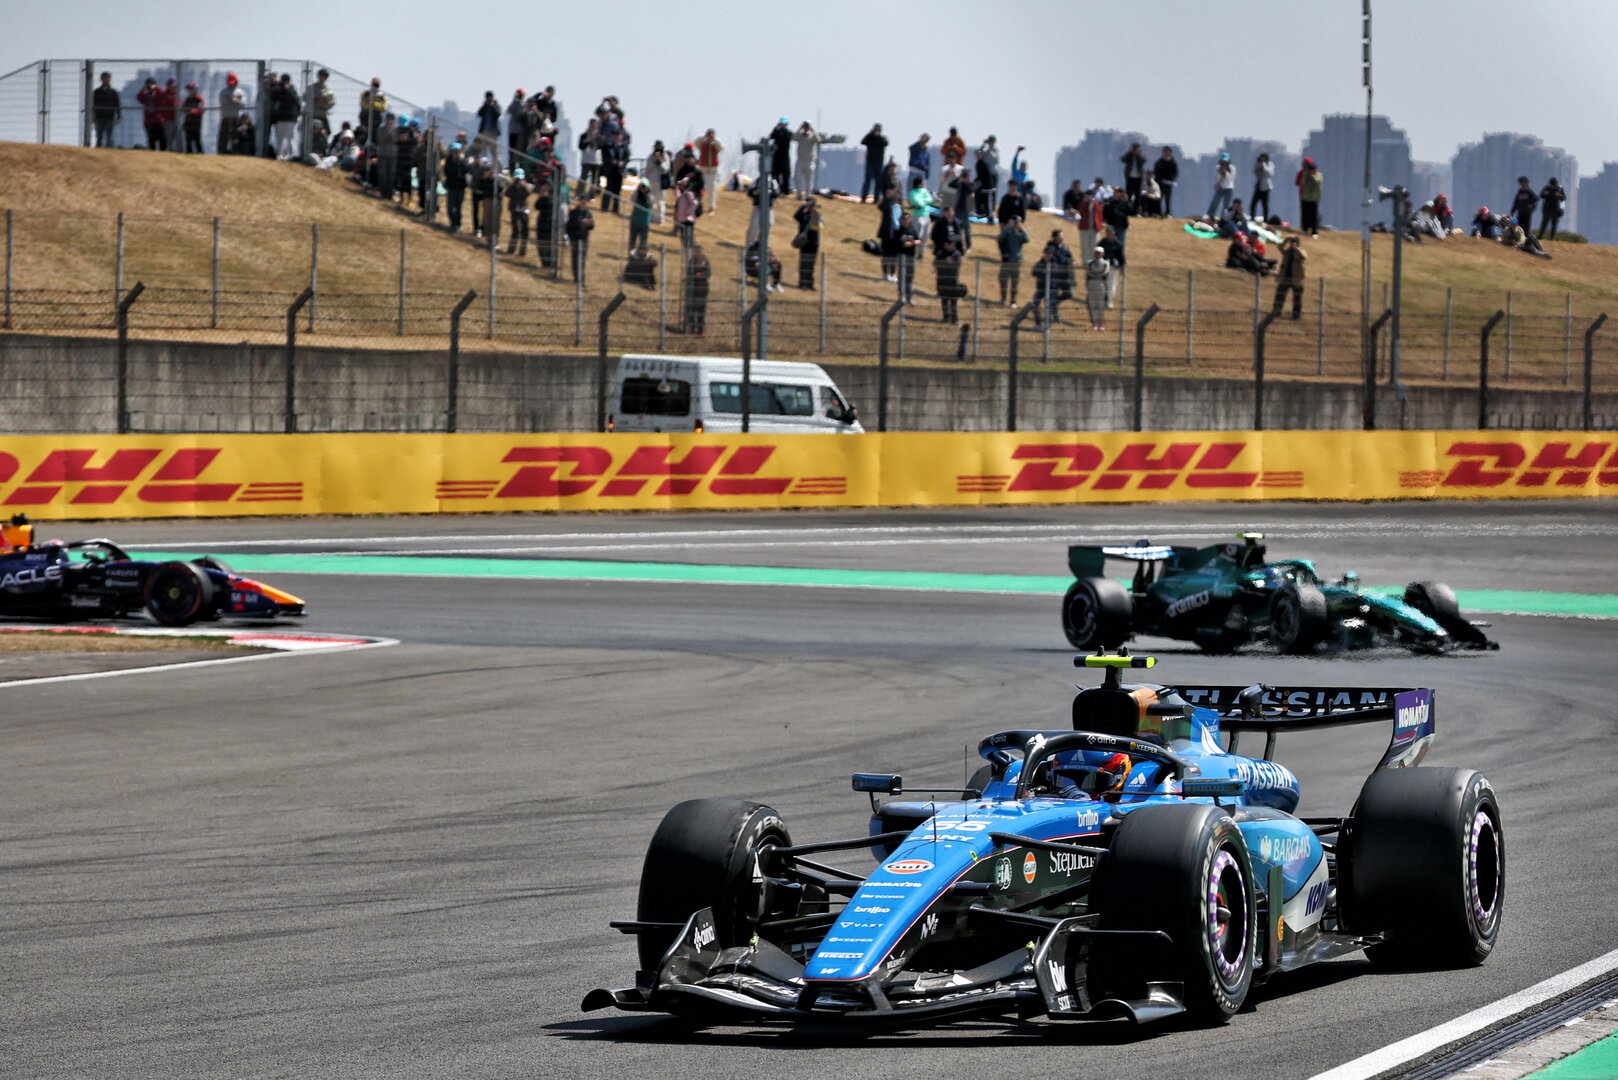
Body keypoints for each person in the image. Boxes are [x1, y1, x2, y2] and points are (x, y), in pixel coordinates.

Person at [997, 215, 1029, 305]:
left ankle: (1013, 301)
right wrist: (1008, 227)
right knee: (1003, 280)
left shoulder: (1020, 234)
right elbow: (1000, 238)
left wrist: (1022, 229)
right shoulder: (1007, 231)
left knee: (1014, 282)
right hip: (1006, 260)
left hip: (1016, 261)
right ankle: (1003, 299)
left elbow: (1027, 239)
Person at [1271, 236, 1306, 319]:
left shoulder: (1301, 251)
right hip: (1285, 278)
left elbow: (1303, 256)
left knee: (1297, 298)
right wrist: (1286, 240)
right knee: (1280, 295)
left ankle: (1296, 315)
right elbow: (1280, 247)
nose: (1292, 244)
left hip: (1296, 279)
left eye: (1294, 242)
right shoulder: (1287, 252)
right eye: (1291, 242)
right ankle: (1277, 311)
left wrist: (1296, 249)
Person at [565, 191, 595, 282]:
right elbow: (569, 226)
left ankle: (581, 279)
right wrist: (580, 222)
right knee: (575, 259)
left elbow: (592, 226)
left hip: (584, 239)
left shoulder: (588, 213)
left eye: (586, 200)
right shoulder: (573, 212)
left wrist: (589, 223)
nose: (584, 201)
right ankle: (576, 277)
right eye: (582, 199)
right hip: (575, 238)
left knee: (582, 260)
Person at [270, 73, 300, 161]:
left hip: (290, 118)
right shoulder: (279, 89)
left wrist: (287, 89)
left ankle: (290, 154)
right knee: (280, 138)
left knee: (290, 137)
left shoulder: (292, 89)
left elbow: (295, 99)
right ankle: (280, 154)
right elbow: (273, 96)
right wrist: (274, 85)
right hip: (280, 117)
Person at [895, 209, 922, 303]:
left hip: (911, 256)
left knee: (909, 277)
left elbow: (919, 241)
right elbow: (898, 243)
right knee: (902, 277)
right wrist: (906, 244)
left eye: (906, 219)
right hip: (902, 255)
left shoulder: (912, 230)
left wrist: (912, 242)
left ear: (909, 220)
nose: (905, 221)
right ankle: (902, 297)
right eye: (903, 219)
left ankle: (909, 297)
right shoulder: (898, 231)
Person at [793, 197, 821, 288]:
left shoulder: (817, 216)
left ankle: (810, 283)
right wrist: (803, 206)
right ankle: (802, 283)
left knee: (811, 264)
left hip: (814, 243)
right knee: (804, 264)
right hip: (805, 243)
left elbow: (820, 226)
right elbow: (796, 216)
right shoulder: (803, 216)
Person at [683, 245, 711, 335]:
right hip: (692, 289)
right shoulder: (691, 261)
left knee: (701, 310)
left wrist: (701, 274)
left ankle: (701, 330)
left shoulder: (705, 261)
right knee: (692, 309)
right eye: (696, 252)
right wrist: (696, 271)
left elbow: (708, 273)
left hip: (702, 289)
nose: (698, 254)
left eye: (699, 252)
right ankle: (692, 329)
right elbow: (689, 273)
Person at [505, 168, 532, 255]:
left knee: (525, 230)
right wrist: (513, 184)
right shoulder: (512, 185)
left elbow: (528, 193)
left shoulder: (525, 185)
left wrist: (523, 185)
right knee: (515, 230)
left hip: (523, 209)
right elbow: (507, 193)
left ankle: (522, 251)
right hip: (514, 209)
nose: (518, 180)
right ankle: (511, 249)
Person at [877, 185, 902, 281]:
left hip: (896, 234)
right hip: (887, 233)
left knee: (894, 255)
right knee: (886, 254)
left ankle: (892, 273)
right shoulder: (888, 204)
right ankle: (885, 274)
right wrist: (886, 197)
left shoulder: (900, 207)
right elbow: (880, 207)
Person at [442, 142, 467, 232]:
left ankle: (457, 224)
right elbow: (446, 171)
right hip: (452, 186)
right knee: (450, 206)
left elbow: (465, 170)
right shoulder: (448, 160)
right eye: (454, 151)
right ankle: (453, 222)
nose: (455, 153)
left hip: (460, 186)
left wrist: (460, 162)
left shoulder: (463, 160)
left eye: (457, 151)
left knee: (458, 206)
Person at [1085, 246, 1111, 330]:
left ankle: (1101, 323)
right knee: (1092, 305)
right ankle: (1094, 323)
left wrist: (1096, 273)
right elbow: (1089, 273)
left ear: (1102, 253)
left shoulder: (1106, 263)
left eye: (1099, 253)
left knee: (1101, 306)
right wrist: (1098, 272)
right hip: (1091, 286)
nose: (1097, 254)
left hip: (1101, 286)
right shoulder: (1089, 263)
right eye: (1096, 253)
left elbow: (1105, 273)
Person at [696, 129, 723, 212]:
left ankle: (711, 206)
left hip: (712, 171)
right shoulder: (702, 143)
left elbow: (720, 148)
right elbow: (696, 143)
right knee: (699, 188)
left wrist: (714, 139)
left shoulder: (716, 143)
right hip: (703, 169)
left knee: (711, 189)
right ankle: (698, 204)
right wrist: (704, 136)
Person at [532, 179, 557, 267]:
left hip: (551, 224)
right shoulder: (541, 198)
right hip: (541, 223)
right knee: (541, 244)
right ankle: (544, 263)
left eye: (545, 188)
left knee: (550, 244)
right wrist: (541, 197)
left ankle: (550, 263)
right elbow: (537, 206)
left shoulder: (553, 197)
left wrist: (545, 197)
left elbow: (551, 205)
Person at [91, 72, 120, 148]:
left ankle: (109, 151)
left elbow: (117, 104)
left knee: (109, 136)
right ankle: (98, 149)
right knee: (99, 136)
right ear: (101, 79)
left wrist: (119, 116)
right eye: (104, 78)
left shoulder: (113, 92)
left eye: (107, 78)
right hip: (99, 117)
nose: (106, 80)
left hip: (109, 117)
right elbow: (94, 105)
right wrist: (93, 117)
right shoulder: (97, 92)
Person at [860, 123, 888, 202]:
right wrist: (869, 134)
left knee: (878, 181)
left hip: (879, 163)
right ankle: (864, 197)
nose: (877, 132)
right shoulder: (869, 138)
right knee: (868, 180)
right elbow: (862, 142)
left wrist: (879, 136)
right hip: (870, 162)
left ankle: (876, 198)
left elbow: (886, 143)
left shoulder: (882, 138)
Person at [643, 140, 669, 225]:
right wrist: (654, 161)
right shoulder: (651, 156)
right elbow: (647, 168)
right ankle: (652, 217)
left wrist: (660, 162)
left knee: (660, 201)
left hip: (660, 182)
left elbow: (666, 169)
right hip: (651, 181)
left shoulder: (665, 156)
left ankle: (660, 219)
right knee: (651, 200)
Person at [1099, 225, 1125, 309]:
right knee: (1102, 285)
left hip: (1113, 268)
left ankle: (1109, 301)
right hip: (1102, 267)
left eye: (1110, 232)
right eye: (1107, 232)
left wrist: (1122, 267)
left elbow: (1121, 257)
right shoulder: (1102, 242)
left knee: (1111, 285)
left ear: (1114, 233)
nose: (1109, 233)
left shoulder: (1118, 244)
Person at [1296, 157, 1323, 237]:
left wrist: (1312, 175)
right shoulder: (1304, 174)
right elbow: (1301, 183)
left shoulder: (1318, 175)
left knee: (1314, 216)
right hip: (1305, 197)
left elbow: (1317, 182)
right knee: (1305, 214)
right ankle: (1305, 229)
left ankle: (1314, 231)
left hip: (1314, 199)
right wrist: (1305, 176)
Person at [505, 88, 530, 171]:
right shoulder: (515, 103)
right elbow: (509, 110)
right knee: (511, 151)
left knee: (520, 151)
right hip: (513, 131)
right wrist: (514, 100)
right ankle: (511, 168)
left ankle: (520, 168)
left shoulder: (524, 105)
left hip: (521, 132)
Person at [792, 121, 819, 198]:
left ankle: (808, 195)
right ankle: (799, 194)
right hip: (800, 159)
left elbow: (818, 140)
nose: (806, 128)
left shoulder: (812, 136)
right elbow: (794, 138)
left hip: (809, 161)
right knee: (797, 178)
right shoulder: (800, 135)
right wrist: (799, 129)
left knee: (809, 180)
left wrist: (813, 131)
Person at [1075, 187, 1103, 257]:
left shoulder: (1097, 205)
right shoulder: (1082, 204)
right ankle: (1085, 261)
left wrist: (1099, 225)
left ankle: (1093, 261)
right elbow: (1080, 214)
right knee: (1085, 246)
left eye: (1091, 196)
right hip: (1085, 228)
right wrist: (1086, 203)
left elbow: (1100, 216)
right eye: (1088, 196)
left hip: (1094, 228)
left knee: (1094, 246)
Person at [1120, 142, 1147, 212]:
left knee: (1138, 195)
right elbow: (1122, 160)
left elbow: (1144, 160)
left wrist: (1138, 154)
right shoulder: (1129, 155)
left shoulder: (1141, 155)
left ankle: (1136, 211)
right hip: (1130, 178)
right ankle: (1128, 209)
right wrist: (1130, 152)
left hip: (1138, 178)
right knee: (1128, 194)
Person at [1152, 146, 1178, 217]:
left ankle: (1167, 213)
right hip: (1160, 183)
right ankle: (1158, 212)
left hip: (1168, 184)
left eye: (1167, 152)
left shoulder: (1172, 163)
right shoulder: (1159, 162)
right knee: (1159, 198)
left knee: (1168, 199)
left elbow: (1175, 173)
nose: (1166, 153)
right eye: (1165, 152)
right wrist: (1160, 179)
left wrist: (1172, 180)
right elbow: (1156, 172)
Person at [310, 70, 335, 142]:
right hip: (311, 114)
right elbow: (305, 97)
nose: (321, 78)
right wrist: (313, 99)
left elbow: (332, 102)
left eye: (323, 76)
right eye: (320, 76)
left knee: (326, 132)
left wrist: (323, 103)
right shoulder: (312, 88)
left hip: (322, 115)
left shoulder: (328, 90)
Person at [1208, 152, 1235, 218]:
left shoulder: (1232, 168)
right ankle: (1210, 216)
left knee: (1226, 205)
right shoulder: (1217, 167)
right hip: (1220, 187)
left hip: (1229, 188)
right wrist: (1220, 173)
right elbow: (1216, 179)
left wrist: (1226, 173)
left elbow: (1231, 179)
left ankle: (1224, 218)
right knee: (1215, 203)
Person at [674, 177, 699, 249]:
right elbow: (678, 200)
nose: (680, 186)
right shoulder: (682, 194)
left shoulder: (688, 193)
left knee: (688, 236)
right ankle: (685, 249)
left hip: (688, 220)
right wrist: (677, 189)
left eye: (681, 185)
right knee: (683, 236)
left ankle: (690, 250)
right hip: (681, 219)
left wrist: (688, 212)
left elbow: (694, 203)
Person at [769, 118, 792, 194]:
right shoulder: (777, 132)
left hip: (785, 156)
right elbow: (771, 136)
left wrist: (782, 129)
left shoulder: (788, 132)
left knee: (786, 174)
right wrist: (776, 127)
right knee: (775, 174)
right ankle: (776, 189)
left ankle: (785, 190)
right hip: (776, 156)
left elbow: (789, 137)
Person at [181, 83, 205, 154]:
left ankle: (200, 153)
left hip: (196, 123)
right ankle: (189, 153)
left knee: (197, 139)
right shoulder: (187, 99)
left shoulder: (198, 99)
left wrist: (194, 111)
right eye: (189, 89)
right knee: (188, 140)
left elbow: (202, 109)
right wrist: (186, 111)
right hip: (188, 123)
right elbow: (183, 108)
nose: (190, 91)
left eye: (191, 89)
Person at [1251, 152, 1274, 222]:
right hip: (1258, 186)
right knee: (1253, 203)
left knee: (1264, 204)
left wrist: (1263, 165)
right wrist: (1257, 163)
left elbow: (1269, 173)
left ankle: (1265, 219)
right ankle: (1252, 217)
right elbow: (1254, 171)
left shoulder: (1270, 164)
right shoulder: (1259, 164)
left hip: (1266, 187)